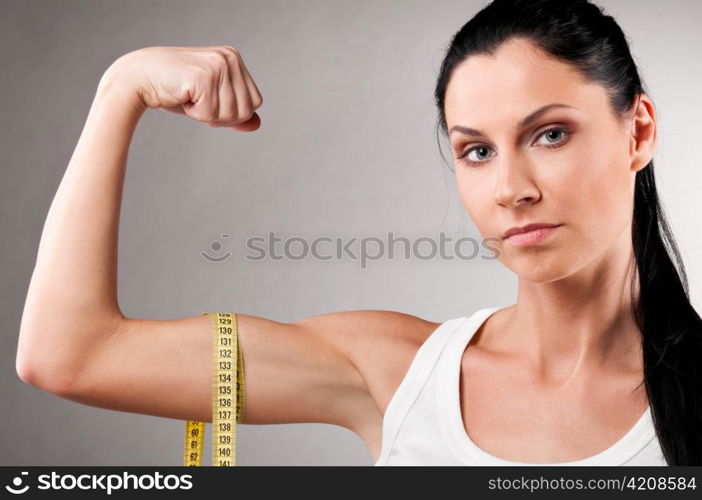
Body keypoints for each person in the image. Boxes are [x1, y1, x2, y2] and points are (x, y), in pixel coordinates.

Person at [15, 0, 701, 466]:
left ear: (637, 131)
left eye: (550, 134)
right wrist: (121, 89)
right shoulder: (393, 372)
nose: (511, 188)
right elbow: (69, 354)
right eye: (476, 151)